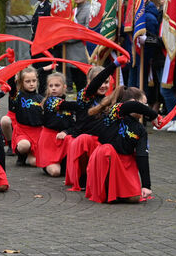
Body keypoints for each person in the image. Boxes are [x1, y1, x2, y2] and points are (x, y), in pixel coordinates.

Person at [85, 87, 158, 203]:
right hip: (106, 158)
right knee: (106, 150)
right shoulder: (116, 112)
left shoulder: (141, 130)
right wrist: (153, 115)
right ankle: (107, 190)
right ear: (133, 102)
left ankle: (119, 192)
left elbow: (142, 155)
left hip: (125, 163)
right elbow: (132, 107)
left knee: (134, 198)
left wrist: (146, 185)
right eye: (144, 104)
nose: (145, 108)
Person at [64, 60, 121, 191]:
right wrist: (114, 65)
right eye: (100, 81)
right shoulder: (85, 96)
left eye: (106, 82)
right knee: (86, 140)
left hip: (101, 140)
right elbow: (95, 84)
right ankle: (83, 176)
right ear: (89, 82)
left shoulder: (109, 100)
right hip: (84, 141)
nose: (103, 85)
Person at [0, 66, 43, 166]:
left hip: (38, 132)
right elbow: (12, 87)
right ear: (21, 82)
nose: (31, 84)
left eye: (34, 81)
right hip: (23, 132)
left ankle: (30, 155)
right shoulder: (18, 96)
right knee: (24, 146)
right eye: (27, 81)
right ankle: (21, 156)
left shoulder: (41, 98)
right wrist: (13, 67)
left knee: (34, 163)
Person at [35, 72, 75, 178]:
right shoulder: (50, 102)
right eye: (51, 86)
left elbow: (73, 125)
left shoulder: (68, 106)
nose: (53, 88)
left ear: (64, 87)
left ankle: (63, 164)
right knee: (56, 172)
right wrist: (82, 104)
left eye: (57, 85)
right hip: (49, 141)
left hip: (63, 139)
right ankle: (46, 164)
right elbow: (66, 105)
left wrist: (66, 132)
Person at [63, 0, 92, 92]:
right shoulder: (74, 10)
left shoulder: (89, 10)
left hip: (82, 54)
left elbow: (86, 31)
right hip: (72, 55)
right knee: (78, 84)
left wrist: (67, 38)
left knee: (82, 85)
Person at [30, 0, 53, 90]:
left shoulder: (49, 7)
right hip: (36, 45)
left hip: (44, 46)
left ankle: (43, 98)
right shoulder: (39, 6)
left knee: (44, 76)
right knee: (36, 74)